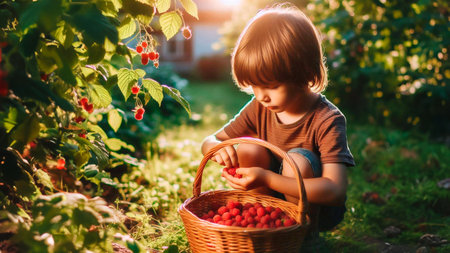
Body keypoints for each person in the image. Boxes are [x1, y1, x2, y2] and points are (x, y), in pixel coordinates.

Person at [201, 3, 355, 251]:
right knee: (248, 150)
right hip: (272, 202)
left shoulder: (327, 119)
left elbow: (335, 190)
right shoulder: (259, 107)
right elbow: (209, 140)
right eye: (254, 86)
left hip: (316, 207)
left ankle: (304, 235)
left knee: (299, 161)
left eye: (271, 86)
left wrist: (267, 178)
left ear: (304, 73)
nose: (261, 96)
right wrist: (217, 148)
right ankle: (263, 227)